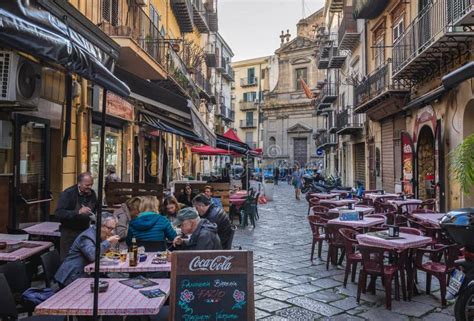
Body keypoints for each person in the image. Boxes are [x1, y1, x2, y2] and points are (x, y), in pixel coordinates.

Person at [54, 212, 119, 287]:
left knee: (110, 284)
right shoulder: (86, 236)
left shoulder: (98, 235)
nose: (112, 232)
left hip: (84, 273)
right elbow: (92, 255)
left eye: (113, 229)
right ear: (100, 226)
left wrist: (108, 245)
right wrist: (107, 242)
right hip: (72, 276)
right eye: (109, 228)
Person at [55, 172, 98, 260]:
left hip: (85, 231)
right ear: (79, 183)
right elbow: (59, 213)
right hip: (69, 232)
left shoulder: (92, 194)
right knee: (68, 259)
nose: (89, 187)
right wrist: (78, 212)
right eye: (87, 185)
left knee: (84, 258)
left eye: (91, 185)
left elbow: (96, 208)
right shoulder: (68, 194)